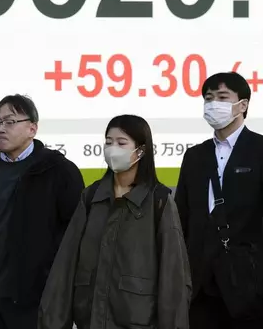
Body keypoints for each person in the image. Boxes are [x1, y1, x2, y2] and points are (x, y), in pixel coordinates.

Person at [39, 114, 192, 329]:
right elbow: (65, 266)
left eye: (121, 143)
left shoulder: (159, 202)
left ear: (141, 150)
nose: (113, 149)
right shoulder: (91, 197)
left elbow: (173, 277)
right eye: (108, 142)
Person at [0, 94, 84, 329]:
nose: (0, 129)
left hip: (33, 303)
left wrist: (56, 294)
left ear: (32, 128)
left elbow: (74, 238)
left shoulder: (58, 171)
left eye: (10, 122)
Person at [174, 72, 263, 329]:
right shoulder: (194, 156)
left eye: (222, 97)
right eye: (208, 98)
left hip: (245, 279)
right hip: (199, 281)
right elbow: (181, 217)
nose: (213, 103)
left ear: (243, 104)